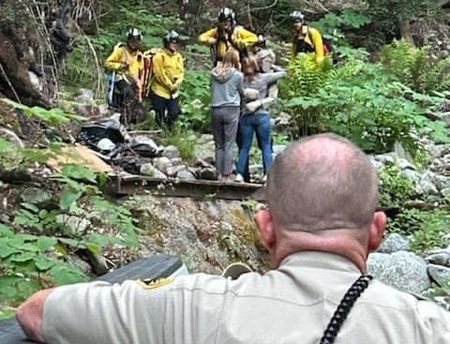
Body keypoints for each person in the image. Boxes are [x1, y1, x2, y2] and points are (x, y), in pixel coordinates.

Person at [16, 133, 450, 343]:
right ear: (377, 232)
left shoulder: (187, 305)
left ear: (265, 228)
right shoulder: (428, 327)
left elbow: (36, 313)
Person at [235, 56, 285, 182]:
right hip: (262, 115)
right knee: (266, 145)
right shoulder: (264, 78)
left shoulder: (240, 79)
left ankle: (239, 174)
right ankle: (267, 174)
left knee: (245, 147)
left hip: (246, 115)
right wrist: (273, 66)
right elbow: (283, 73)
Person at [210, 48, 243, 181]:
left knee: (219, 144)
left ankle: (218, 173)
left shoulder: (213, 73)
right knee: (229, 144)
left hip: (216, 109)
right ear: (236, 60)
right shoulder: (238, 75)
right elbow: (241, 91)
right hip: (231, 109)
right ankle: (226, 174)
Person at [104, 27, 146, 125]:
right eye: (132, 41)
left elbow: (141, 71)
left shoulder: (139, 56)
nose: (134, 43)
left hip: (134, 81)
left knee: (139, 105)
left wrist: (140, 83)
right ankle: (125, 118)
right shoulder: (120, 51)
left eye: (136, 41)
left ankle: (132, 119)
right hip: (121, 78)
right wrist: (122, 65)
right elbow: (107, 63)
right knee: (128, 93)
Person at [149, 30, 184, 129]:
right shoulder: (159, 56)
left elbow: (181, 72)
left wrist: (176, 84)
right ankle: (161, 131)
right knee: (159, 114)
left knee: (174, 112)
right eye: (172, 42)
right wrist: (169, 85)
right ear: (167, 43)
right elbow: (159, 73)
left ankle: (169, 129)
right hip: (160, 90)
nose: (174, 45)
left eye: (176, 43)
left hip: (173, 92)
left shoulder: (178, 57)